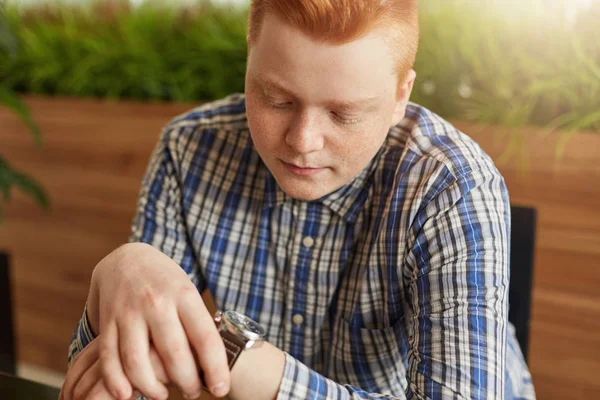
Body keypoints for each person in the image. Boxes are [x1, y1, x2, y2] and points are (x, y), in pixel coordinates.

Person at [60, 0, 535, 399]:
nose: (303, 141)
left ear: (399, 98)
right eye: (276, 100)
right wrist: (122, 269)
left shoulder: (453, 187)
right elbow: (116, 376)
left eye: (344, 114)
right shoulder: (189, 149)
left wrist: (245, 364)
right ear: (249, 64)